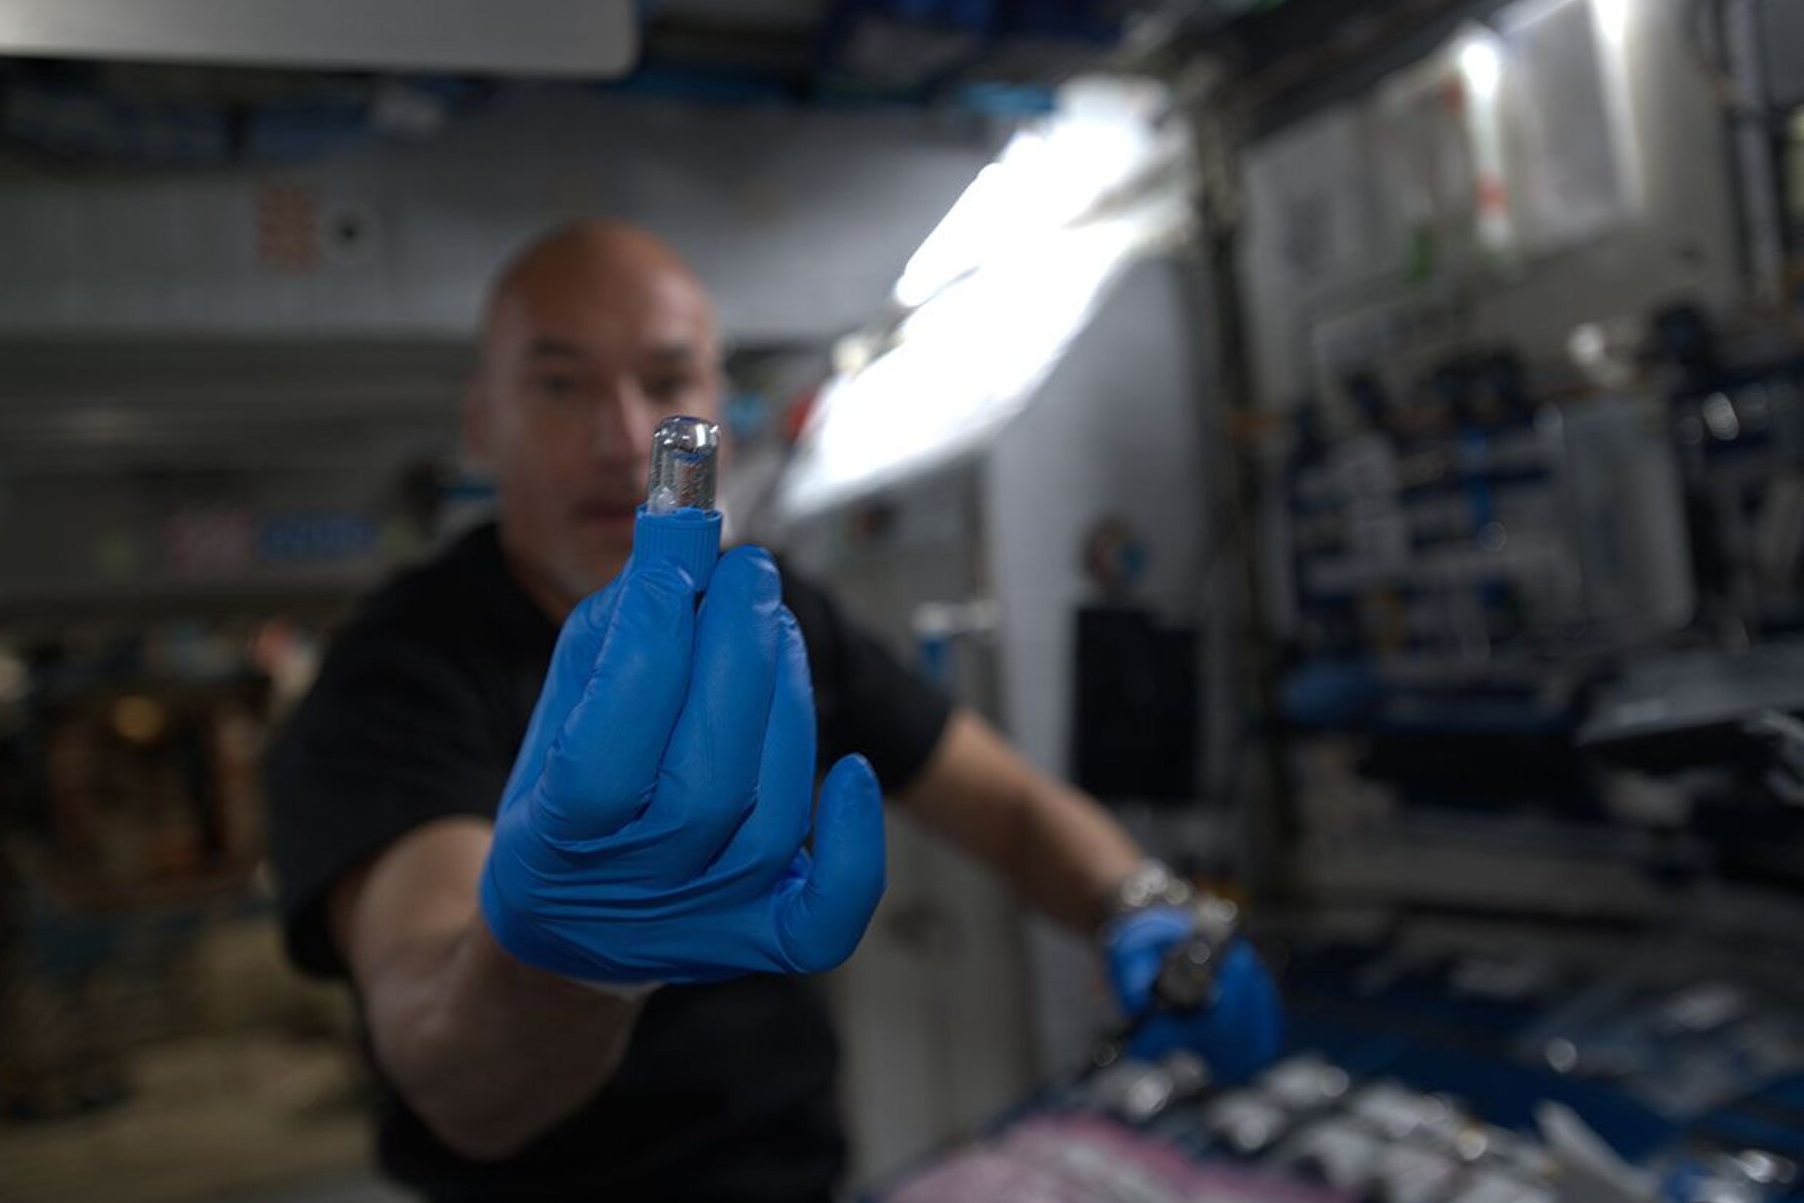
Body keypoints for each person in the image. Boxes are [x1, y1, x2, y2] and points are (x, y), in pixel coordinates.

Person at [265, 221, 1280, 1203]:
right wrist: (565, 960)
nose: (625, 439)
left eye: (666, 385)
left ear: (716, 413)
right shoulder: (395, 676)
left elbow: (1008, 810)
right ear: (483, 422)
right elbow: (451, 1069)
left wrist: (1144, 909)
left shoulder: (766, 610)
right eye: (560, 383)